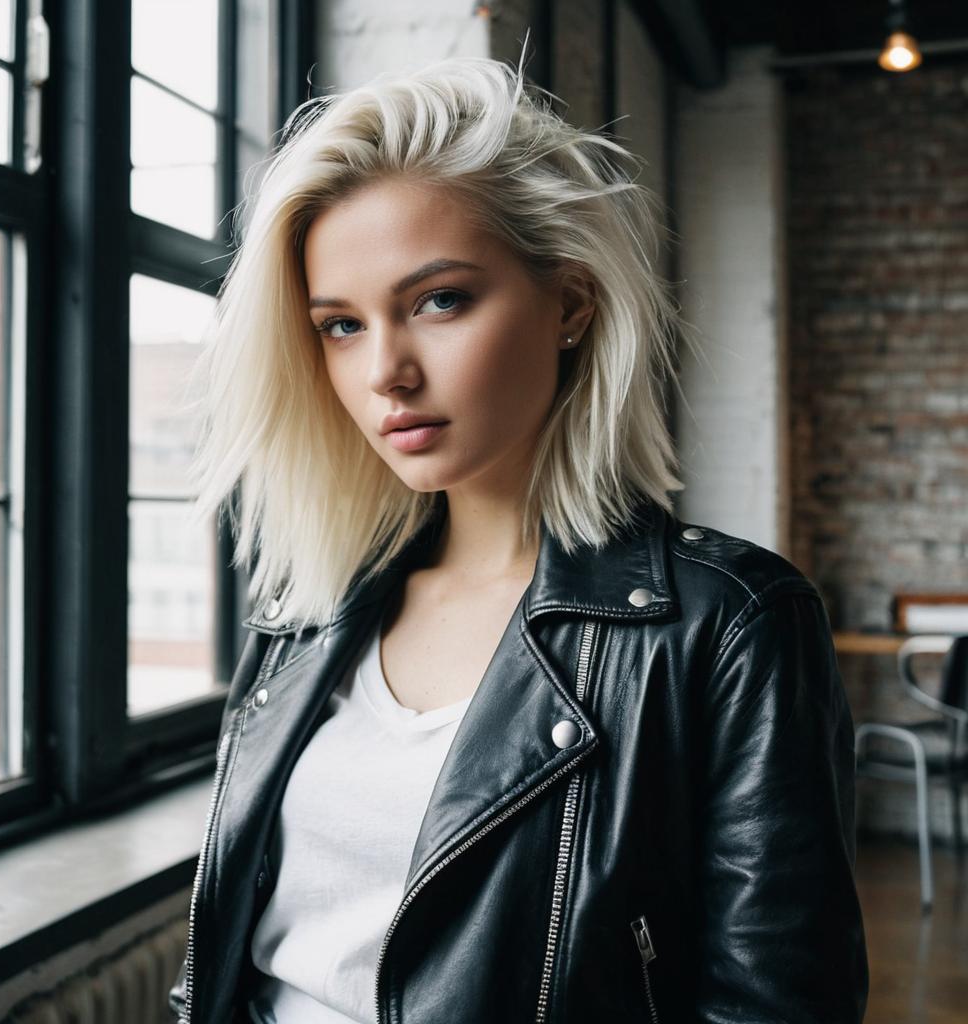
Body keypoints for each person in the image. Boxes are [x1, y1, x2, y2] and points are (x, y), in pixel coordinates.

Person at [167, 51, 870, 1024]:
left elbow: (776, 1004)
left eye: (438, 300)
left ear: (571, 302)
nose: (386, 373)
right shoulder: (306, 616)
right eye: (339, 325)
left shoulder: (728, 625)